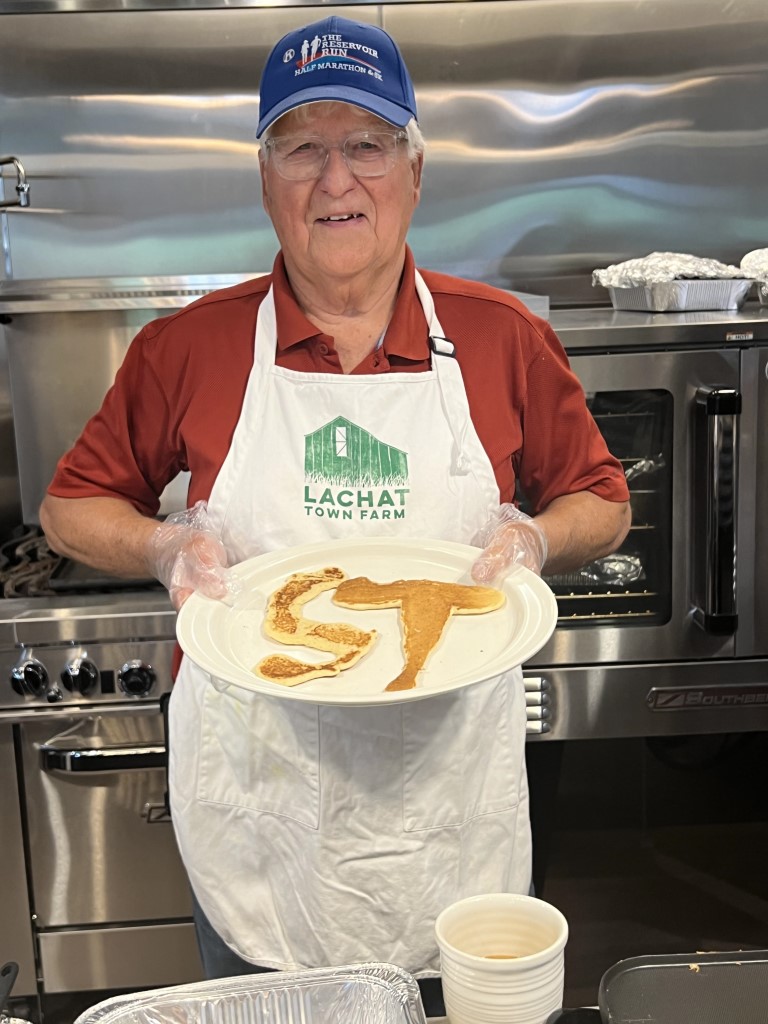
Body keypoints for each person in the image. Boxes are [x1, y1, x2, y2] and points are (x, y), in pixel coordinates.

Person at [39, 14, 631, 1014]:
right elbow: (68, 507)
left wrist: (535, 536)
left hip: (447, 798)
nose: (336, 180)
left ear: (414, 168)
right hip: (261, 804)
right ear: (265, 178)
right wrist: (163, 543)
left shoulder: (502, 337)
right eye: (302, 148)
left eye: (365, 143)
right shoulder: (188, 347)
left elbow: (602, 503)